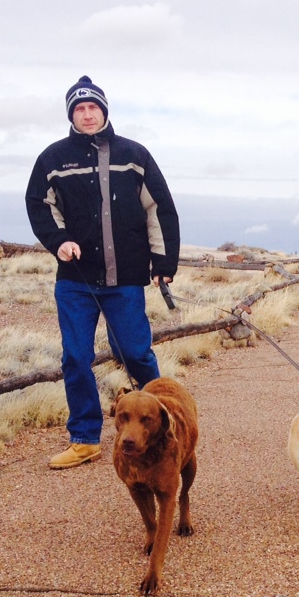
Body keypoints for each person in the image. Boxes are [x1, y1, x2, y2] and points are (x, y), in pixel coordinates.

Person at [25, 75, 180, 469]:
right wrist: (58, 240)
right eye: (79, 108)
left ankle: (164, 430)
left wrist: (163, 263)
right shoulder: (53, 158)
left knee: (136, 354)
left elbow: (158, 209)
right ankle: (84, 439)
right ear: (71, 115)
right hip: (75, 281)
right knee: (76, 357)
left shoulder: (134, 154)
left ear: (104, 111)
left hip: (125, 277)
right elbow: (40, 205)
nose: (87, 114)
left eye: (93, 107)